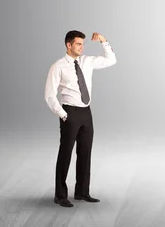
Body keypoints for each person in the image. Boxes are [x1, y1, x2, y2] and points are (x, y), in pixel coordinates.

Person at [44, 30, 117, 207]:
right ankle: (60, 195)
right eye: (78, 44)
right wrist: (63, 115)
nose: (82, 47)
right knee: (65, 154)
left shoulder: (87, 61)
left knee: (85, 153)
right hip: (69, 113)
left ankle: (82, 192)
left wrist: (103, 41)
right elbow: (49, 95)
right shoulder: (58, 66)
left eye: (83, 44)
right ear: (69, 45)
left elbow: (111, 60)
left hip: (86, 112)